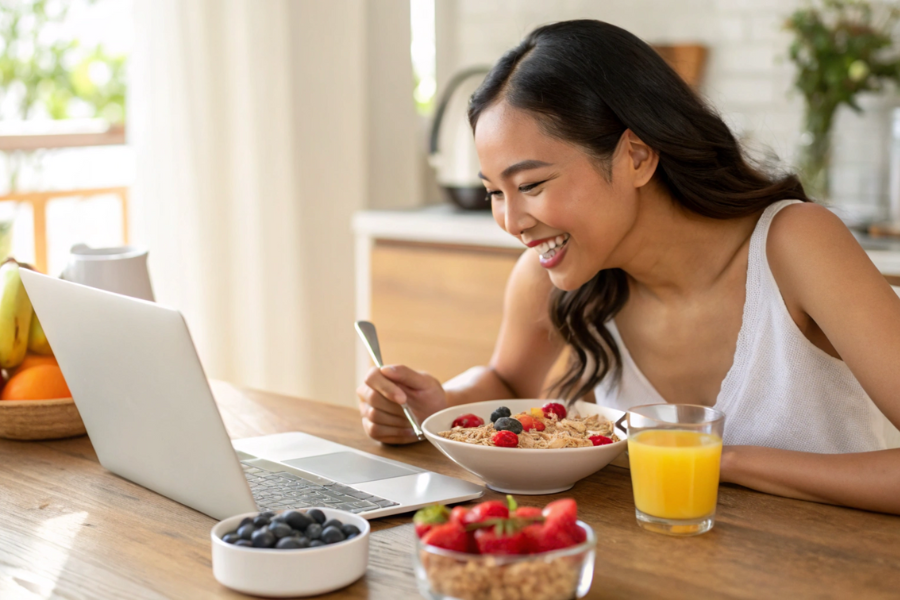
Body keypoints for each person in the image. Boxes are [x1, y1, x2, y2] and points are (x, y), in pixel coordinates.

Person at [356, 20, 900, 514]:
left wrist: (722, 460)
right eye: (495, 193)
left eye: (531, 185)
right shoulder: (553, 276)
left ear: (636, 157)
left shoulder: (796, 246)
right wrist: (438, 404)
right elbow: (506, 380)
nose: (511, 220)